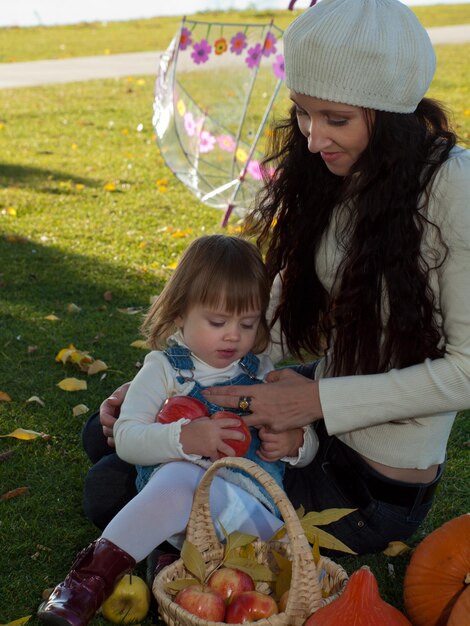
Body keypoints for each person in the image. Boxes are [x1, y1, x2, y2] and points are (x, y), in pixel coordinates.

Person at [83, 0, 470, 556]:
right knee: (105, 433)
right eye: (303, 113)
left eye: (336, 119)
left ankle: (189, 543)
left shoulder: (454, 188)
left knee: (109, 485)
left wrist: (316, 402)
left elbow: (464, 372)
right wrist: (178, 377)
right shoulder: (344, 168)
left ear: (393, 116)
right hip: (318, 416)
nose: (312, 139)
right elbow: (284, 317)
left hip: (366, 488)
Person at [38, 235, 318, 626]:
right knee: (178, 475)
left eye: (248, 323)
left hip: (249, 520)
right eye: (218, 322)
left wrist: (295, 443)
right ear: (181, 311)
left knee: (305, 573)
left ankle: (149, 563)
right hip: (180, 510)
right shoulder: (164, 369)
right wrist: (184, 437)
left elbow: (307, 438)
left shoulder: (261, 368)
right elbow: (128, 438)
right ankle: (87, 584)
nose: (233, 335)